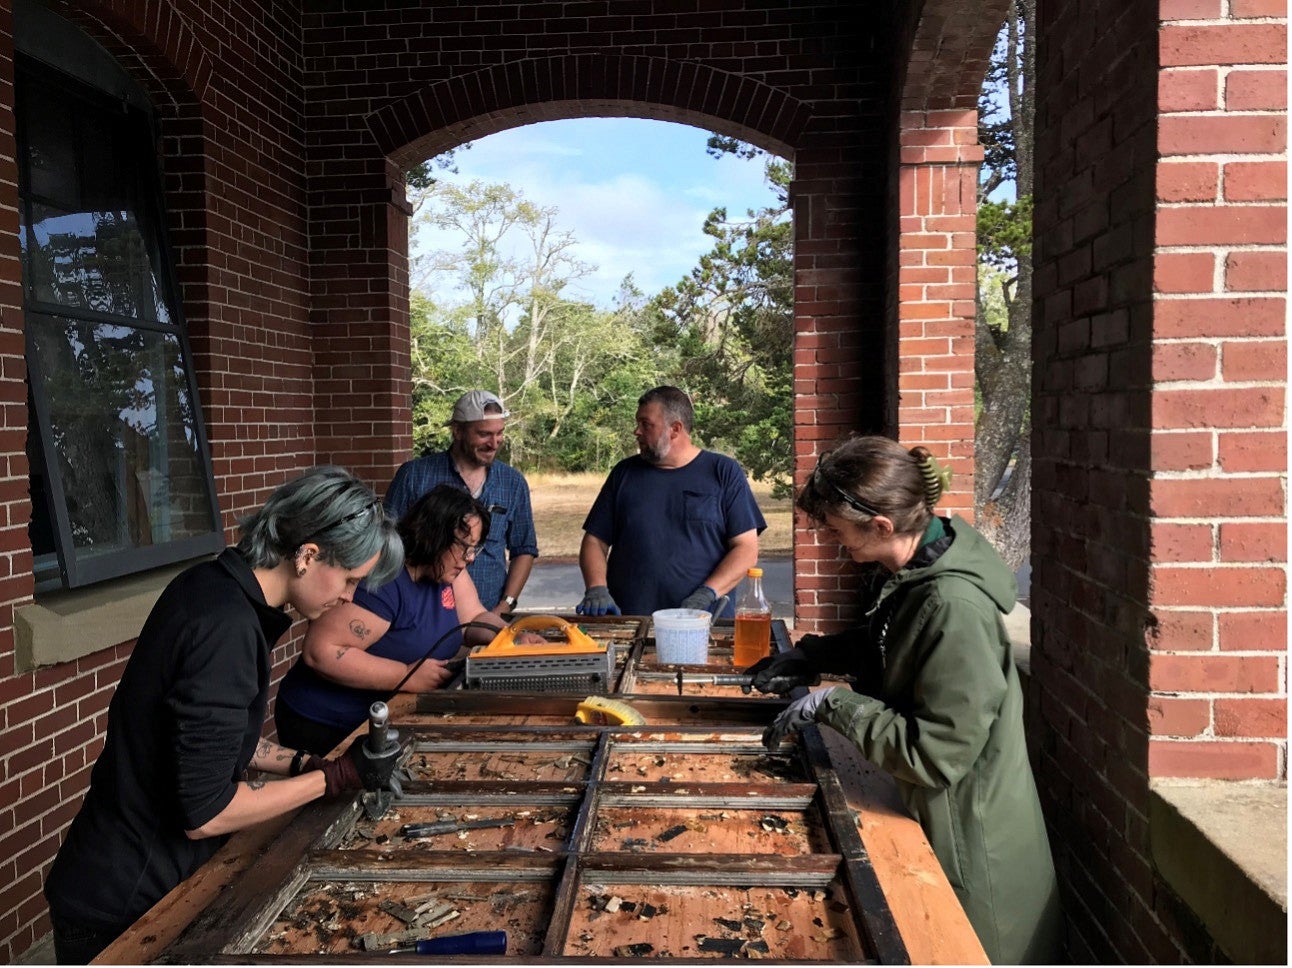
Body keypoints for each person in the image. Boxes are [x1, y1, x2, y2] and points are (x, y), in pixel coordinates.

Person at [43, 467, 407, 964]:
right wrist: (337, 778)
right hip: (125, 902)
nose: (350, 597)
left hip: (123, 876)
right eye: (349, 580)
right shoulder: (226, 629)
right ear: (308, 554)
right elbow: (205, 811)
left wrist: (305, 763)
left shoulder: (211, 586)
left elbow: (210, 742)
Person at [751, 436, 1063, 965]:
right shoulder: (919, 570)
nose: (830, 537)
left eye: (835, 527)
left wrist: (834, 703)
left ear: (881, 526)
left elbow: (935, 755)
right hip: (939, 820)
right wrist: (811, 655)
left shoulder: (954, 606)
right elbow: (888, 637)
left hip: (972, 849)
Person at [275, 484, 545, 755]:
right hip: (326, 722)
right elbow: (321, 652)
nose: (470, 559)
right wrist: (405, 675)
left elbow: (473, 616)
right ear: (434, 535)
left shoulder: (449, 571)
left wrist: (511, 638)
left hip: (384, 717)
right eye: (464, 547)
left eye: (476, 548)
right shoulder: (386, 581)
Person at [576, 386, 765, 618]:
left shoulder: (723, 472)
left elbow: (746, 548)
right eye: (637, 423)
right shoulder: (624, 473)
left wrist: (707, 593)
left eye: (646, 424)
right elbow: (595, 541)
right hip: (629, 621)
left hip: (703, 624)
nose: (637, 431)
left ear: (675, 429)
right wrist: (596, 588)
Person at [384, 389, 538, 614]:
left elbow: (524, 548)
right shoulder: (414, 475)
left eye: (500, 433)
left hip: (488, 613)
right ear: (457, 431)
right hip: (422, 616)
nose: (494, 443)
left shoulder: (513, 482)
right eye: (484, 434)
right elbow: (387, 542)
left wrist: (506, 604)